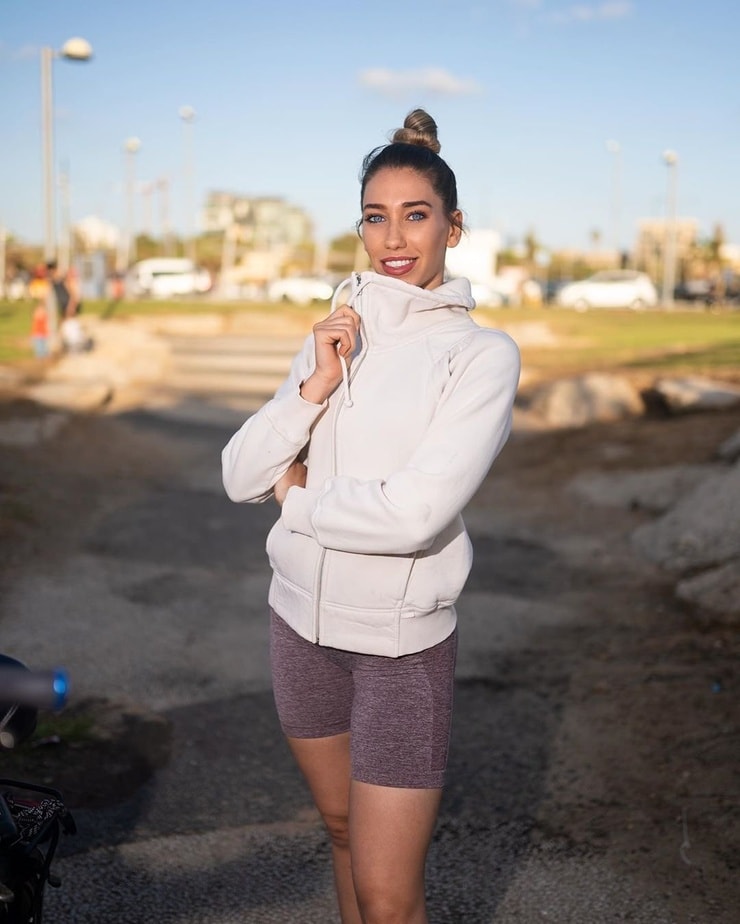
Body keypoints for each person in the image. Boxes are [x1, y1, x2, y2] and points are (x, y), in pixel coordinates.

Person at [222, 108, 521, 923]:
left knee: (389, 897)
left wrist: (298, 496)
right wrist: (314, 384)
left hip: (400, 650)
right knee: (342, 830)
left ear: (454, 227)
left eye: (416, 215)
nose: (394, 236)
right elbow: (238, 471)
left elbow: (413, 516)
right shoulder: (334, 332)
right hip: (299, 627)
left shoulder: (480, 355)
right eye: (375, 216)